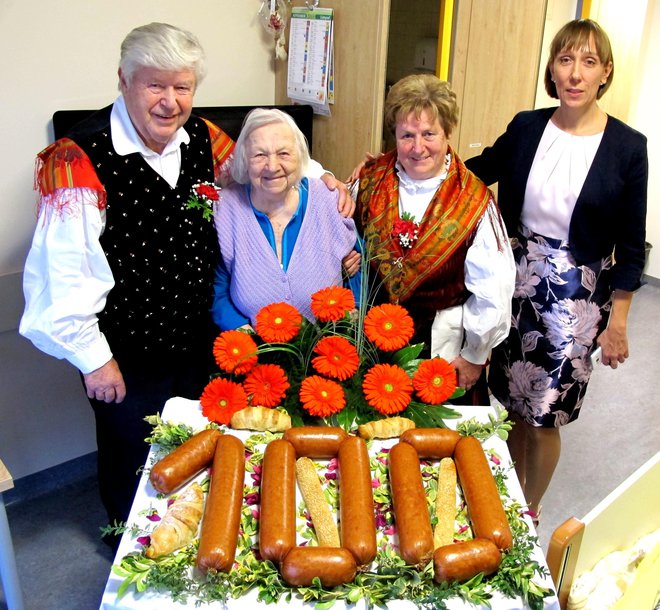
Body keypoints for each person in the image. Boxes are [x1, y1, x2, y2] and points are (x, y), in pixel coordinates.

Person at [19, 22, 353, 544]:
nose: (170, 102)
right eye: (155, 85)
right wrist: (92, 358)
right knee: (134, 465)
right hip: (127, 356)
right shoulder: (79, 158)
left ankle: (193, 552)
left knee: (201, 457)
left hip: (201, 346)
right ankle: (136, 567)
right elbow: (61, 274)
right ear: (124, 80)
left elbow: (270, 164)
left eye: (182, 87)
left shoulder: (201, 136)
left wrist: (324, 180)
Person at [465, 19, 648, 522]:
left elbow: (633, 246)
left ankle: (528, 508)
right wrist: (408, 162)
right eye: (566, 60)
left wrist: (619, 323)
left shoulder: (628, 148)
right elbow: (475, 172)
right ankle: (509, 492)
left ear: (605, 73)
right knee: (512, 402)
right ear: (552, 68)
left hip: (577, 296)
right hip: (512, 278)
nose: (575, 73)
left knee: (545, 414)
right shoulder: (527, 126)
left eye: (589, 62)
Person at [354, 74, 515, 405]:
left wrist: (475, 355)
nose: (417, 147)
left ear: (447, 133)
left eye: (429, 134)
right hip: (371, 353)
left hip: (444, 359)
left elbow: (493, 292)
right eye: (406, 136)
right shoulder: (368, 180)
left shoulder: (475, 201)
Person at [211, 108, 359, 329]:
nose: (272, 166)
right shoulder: (226, 209)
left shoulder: (329, 200)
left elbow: (360, 267)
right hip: (253, 349)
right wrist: (243, 335)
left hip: (328, 348)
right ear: (244, 160)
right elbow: (217, 288)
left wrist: (351, 325)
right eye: (259, 155)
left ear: (300, 158)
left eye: (284, 154)